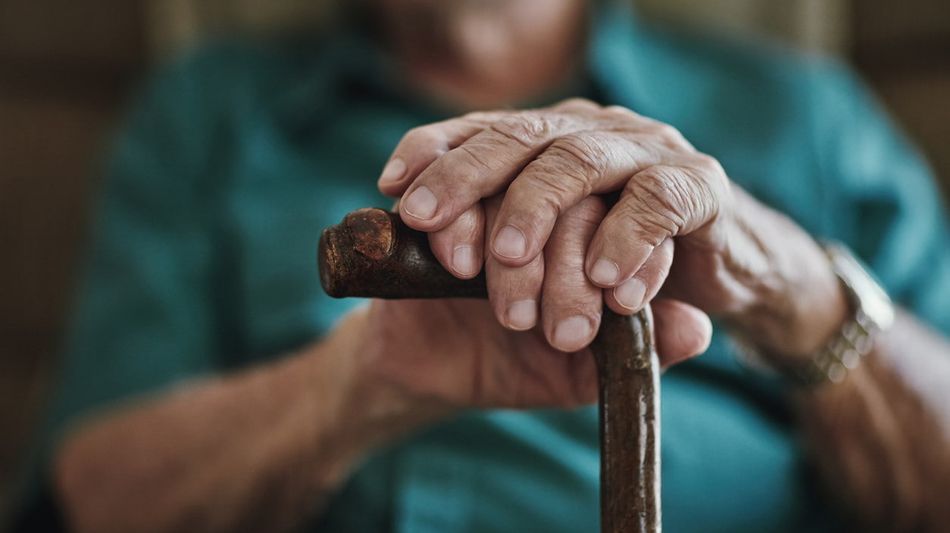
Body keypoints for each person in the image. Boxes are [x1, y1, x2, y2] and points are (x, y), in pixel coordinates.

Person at [14, 0, 950, 531]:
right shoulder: (205, 113)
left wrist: (790, 288)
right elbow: (95, 494)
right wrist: (358, 384)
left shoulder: (807, 118)